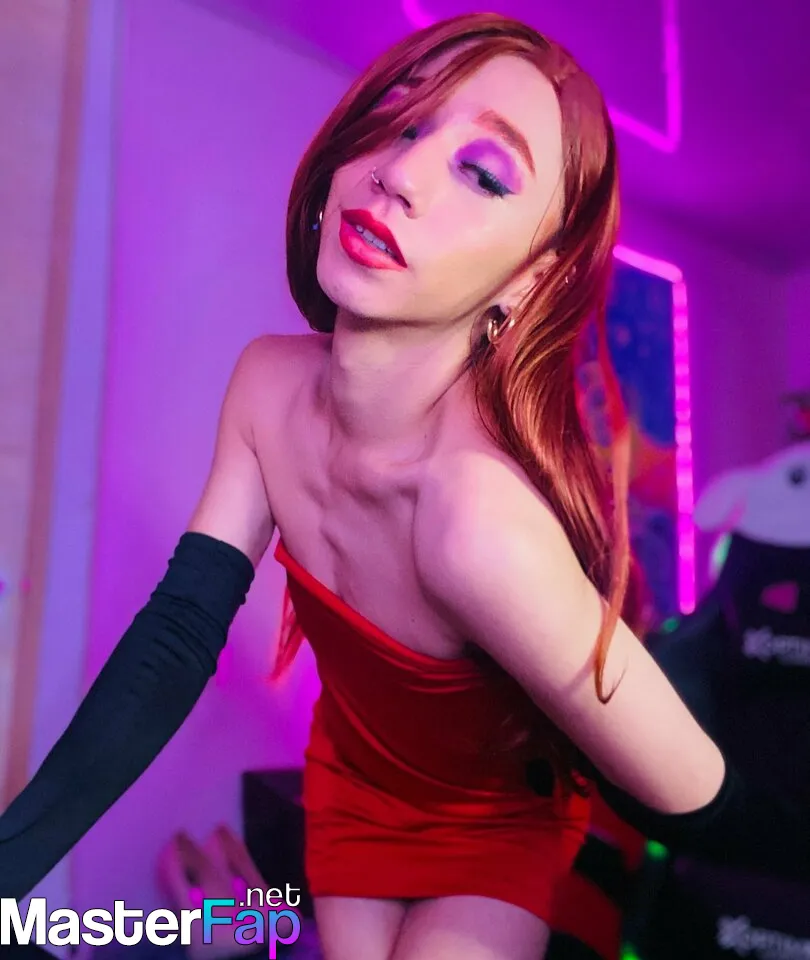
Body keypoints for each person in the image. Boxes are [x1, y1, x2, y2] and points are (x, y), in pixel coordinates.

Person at [1, 12, 807, 960]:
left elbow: (692, 791)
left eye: (484, 173)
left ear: (530, 280)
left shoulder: (479, 518)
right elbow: (177, 637)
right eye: (402, 119)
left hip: (490, 820)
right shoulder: (266, 385)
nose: (402, 172)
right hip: (354, 781)